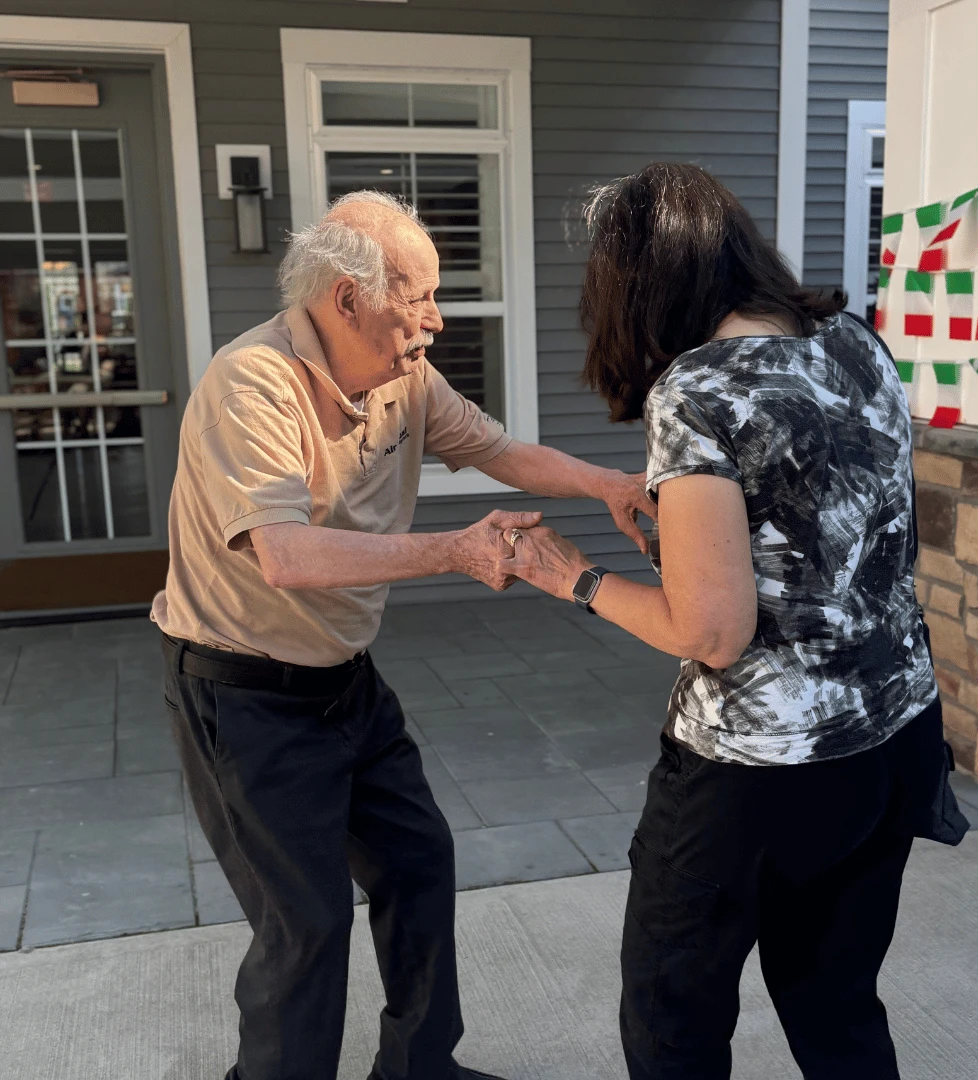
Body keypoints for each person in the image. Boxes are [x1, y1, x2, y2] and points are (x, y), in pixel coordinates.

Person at [153, 190, 652, 1080]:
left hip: (344, 683)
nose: (436, 316)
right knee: (303, 924)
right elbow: (286, 555)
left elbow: (499, 451)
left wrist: (609, 485)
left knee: (418, 861)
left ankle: (422, 1069)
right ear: (347, 299)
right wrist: (457, 551)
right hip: (242, 696)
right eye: (417, 295)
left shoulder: (405, 376)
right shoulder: (251, 382)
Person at [504, 162, 969, 1080]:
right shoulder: (854, 341)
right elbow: (827, 542)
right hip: (890, 737)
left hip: (757, 779)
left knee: (674, 1015)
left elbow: (713, 632)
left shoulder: (698, 391)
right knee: (837, 1005)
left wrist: (573, 578)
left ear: (643, 283)